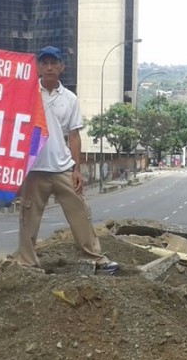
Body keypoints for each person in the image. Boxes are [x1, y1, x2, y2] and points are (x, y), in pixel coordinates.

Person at [16, 46, 118, 274]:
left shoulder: (70, 99)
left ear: (61, 67)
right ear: (38, 67)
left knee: (81, 211)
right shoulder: (27, 93)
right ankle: (27, 265)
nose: (49, 67)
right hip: (34, 168)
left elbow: (74, 135)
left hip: (62, 166)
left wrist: (76, 169)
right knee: (28, 217)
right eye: (45, 63)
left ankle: (95, 258)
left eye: (54, 63)